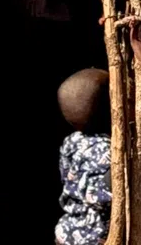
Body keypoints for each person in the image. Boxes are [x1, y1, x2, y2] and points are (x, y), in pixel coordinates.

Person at [55, 68, 112, 245]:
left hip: (67, 231)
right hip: (91, 237)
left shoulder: (71, 142)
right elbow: (100, 196)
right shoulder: (106, 151)